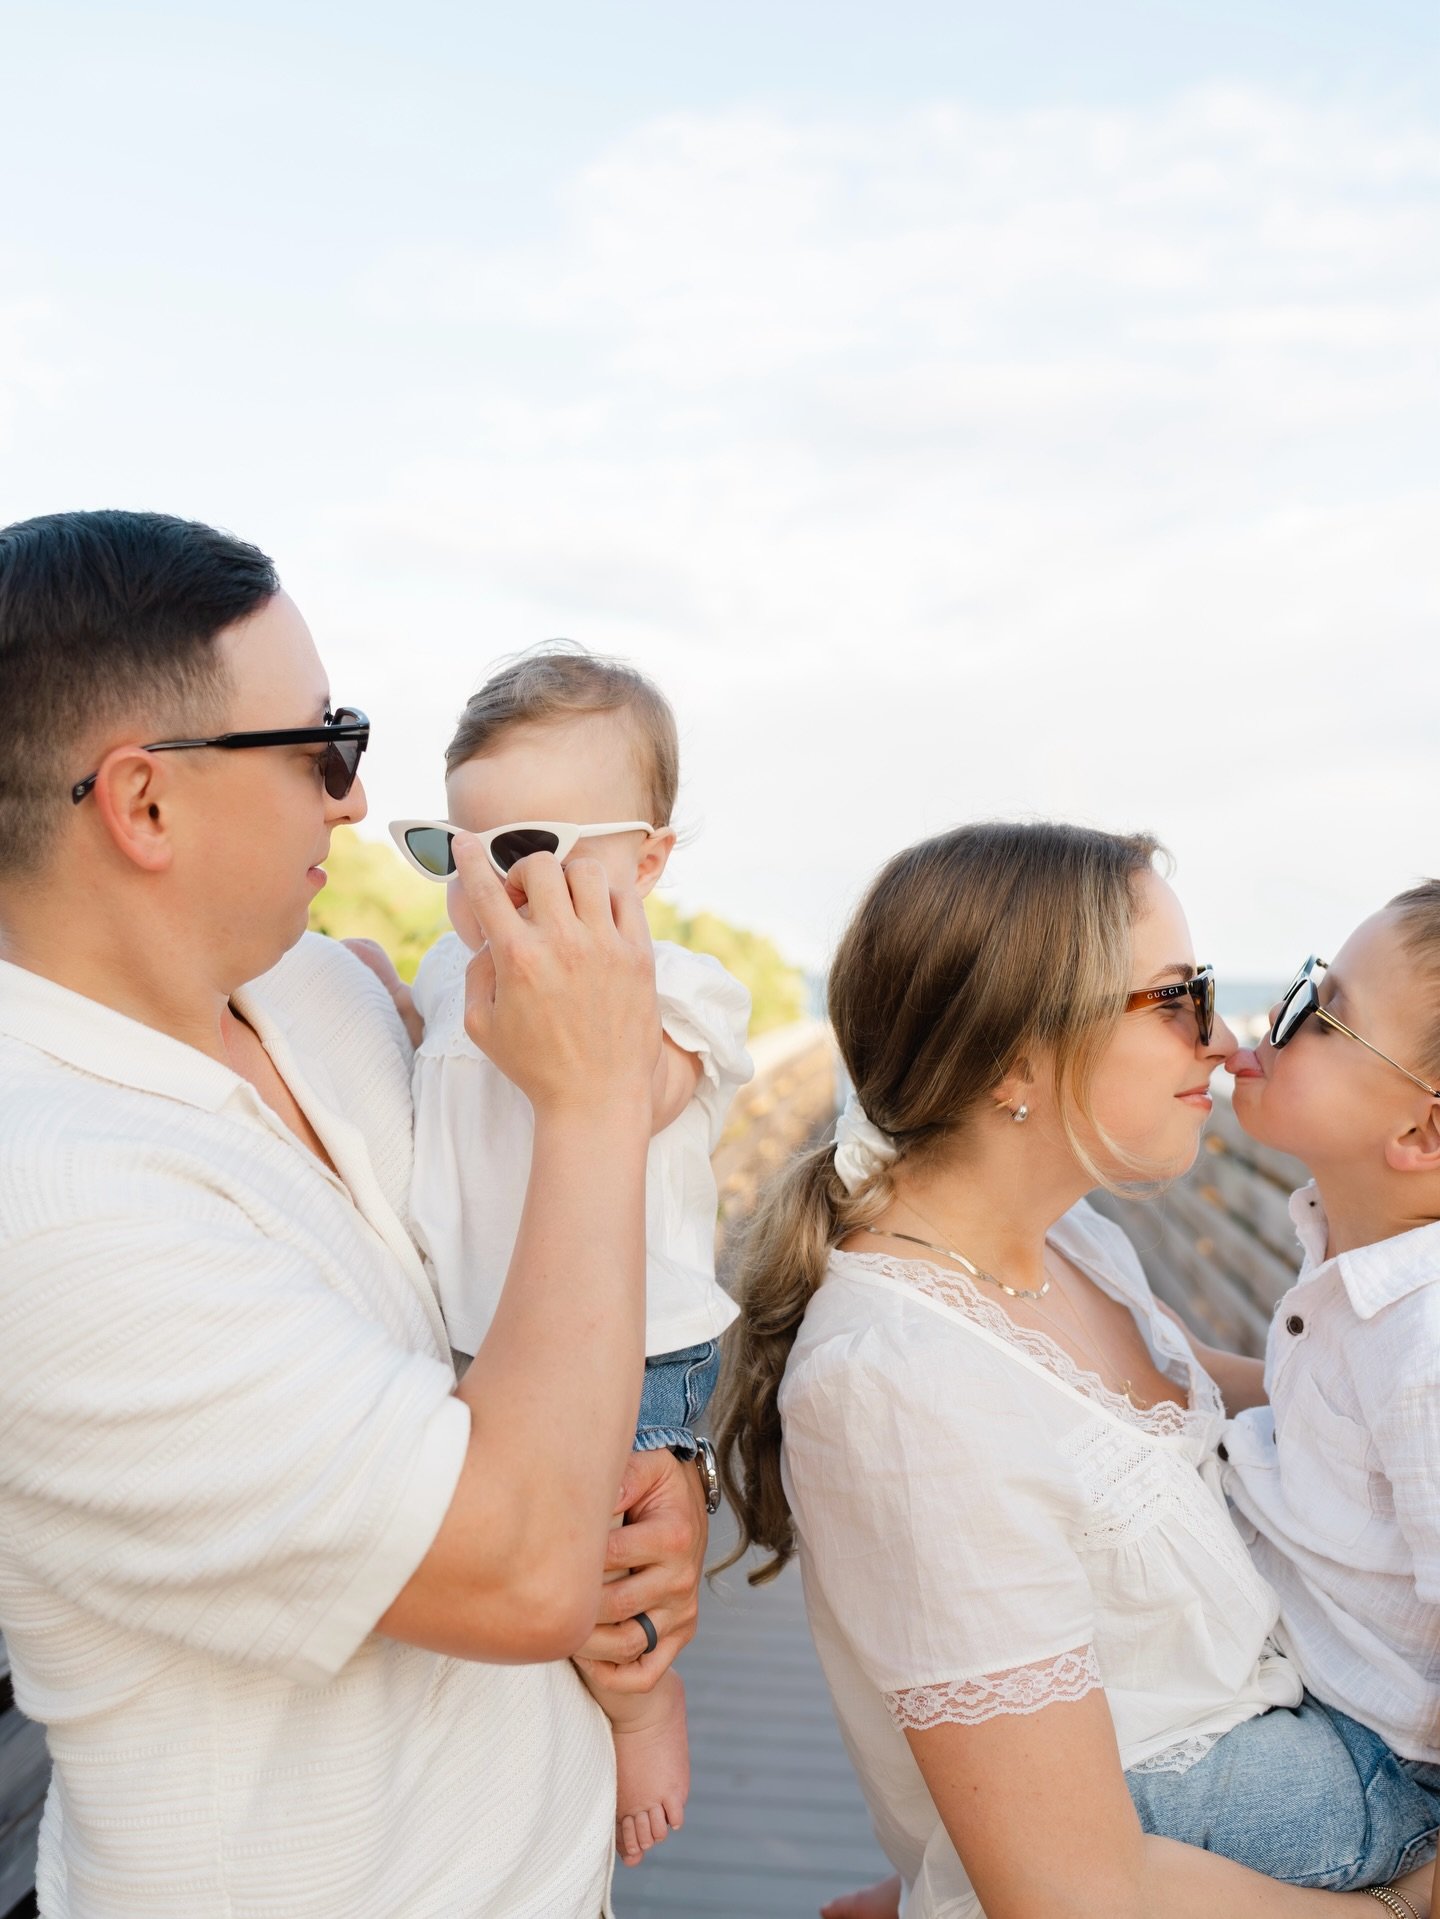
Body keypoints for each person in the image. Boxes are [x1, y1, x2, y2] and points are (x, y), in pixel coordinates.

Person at [0, 509, 707, 1919]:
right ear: (144, 803)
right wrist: (590, 1101)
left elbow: (503, 1305)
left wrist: (652, 1465)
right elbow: (513, 1569)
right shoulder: (53, 1212)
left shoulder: (317, 986)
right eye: (323, 742)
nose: (354, 799)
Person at [713, 820, 1437, 1919]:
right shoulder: (900, 1382)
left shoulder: (1075, 1242)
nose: (1225, 1038)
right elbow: (1068, 1889)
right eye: (1179, 997)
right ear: (1017, 1060)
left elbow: (1307, 1402)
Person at [371, 645, 751, 1866]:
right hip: (482, 1342)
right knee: (526, 1562)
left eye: (526, 847)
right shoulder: (448, 971)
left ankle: (645, 1702)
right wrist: (393, 1003)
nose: (484, 887)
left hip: (627, 1347)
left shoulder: (675, 987)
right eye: (452, 849)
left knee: (602, 1577)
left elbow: (632, 1094)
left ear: (645, 860)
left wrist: (584, 1011)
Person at [1222, 892, 1440, 1919]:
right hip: (1307, 1689)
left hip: (1374, 1770)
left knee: (1059, 1786)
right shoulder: (1355, 1257)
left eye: (1322, 1007)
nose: (1280, 1013)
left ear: (1422, 1129)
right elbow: (1311, 1415)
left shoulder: (1427, 1340)